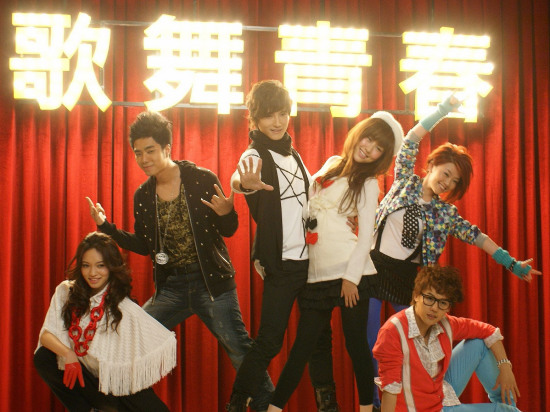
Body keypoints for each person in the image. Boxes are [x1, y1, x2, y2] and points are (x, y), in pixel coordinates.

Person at [86, 110, 273, 411]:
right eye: (138, 153)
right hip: (172, 286)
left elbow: (228, 230)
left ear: (167, 148)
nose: (144, 159)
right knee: (129, 337)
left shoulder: (201, 179)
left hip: (211, 283)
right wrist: (106, 227)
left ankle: (267, 404)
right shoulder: (143, 196)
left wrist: (228, 213)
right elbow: (145, 245)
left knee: (239, 348)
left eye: (150, 150)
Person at [367, 95, 541, 408]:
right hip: (372, 267)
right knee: (369, 342)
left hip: (407, 279)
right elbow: (411, 139)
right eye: (445, 173)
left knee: (415, 342)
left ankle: (419, 401)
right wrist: (443, 110)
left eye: (454, 181)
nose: (446, 182)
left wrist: (511, 263)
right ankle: (376, 404)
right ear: (432, 165)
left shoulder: (444, 213)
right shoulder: (404, 181)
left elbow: (477, 237)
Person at [266, 111, 404, 412]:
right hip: (316, 273)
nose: (368, 148)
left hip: (349, 275)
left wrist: (351, 279)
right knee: (301, 348)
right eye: (368, 138)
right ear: (359, 134)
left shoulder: (368, 182)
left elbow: (366, 236)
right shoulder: (331, 164)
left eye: (378, 148)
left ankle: (367, 409)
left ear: (382, 157)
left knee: (356, 346)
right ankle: (273, 408)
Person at [226, 80, 335, 412]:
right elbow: (239, 177)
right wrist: (242, 184)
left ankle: (328, 406)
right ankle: (237, 403)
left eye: (283, 113)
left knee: (321, 340)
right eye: (269, 115)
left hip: (312, 263)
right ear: (255, 118)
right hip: (283, 264)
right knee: (269, 341)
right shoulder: (255, 153)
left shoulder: (294, 154)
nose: (277, 122)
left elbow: (305, 198)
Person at [34, 232, 177, 412]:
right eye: (86, 265)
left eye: (100, 265)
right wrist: (68, 354)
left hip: (119, 388)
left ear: (111, 266)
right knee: (43, 357)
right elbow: (46, 335)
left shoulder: (123, 307)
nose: (92, 273)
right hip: (88, 381)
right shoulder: (66, 292)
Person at [373, 265, 521, 411]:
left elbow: (489, 331)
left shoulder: (445, 324)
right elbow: (390, 389)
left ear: (448, 307)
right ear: (416, 295)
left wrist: (505, 366)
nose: (434, 308)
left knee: (478, 343)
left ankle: (508, 405)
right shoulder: (393, 331)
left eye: (442, 303)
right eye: (429, 298)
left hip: (441, 396)